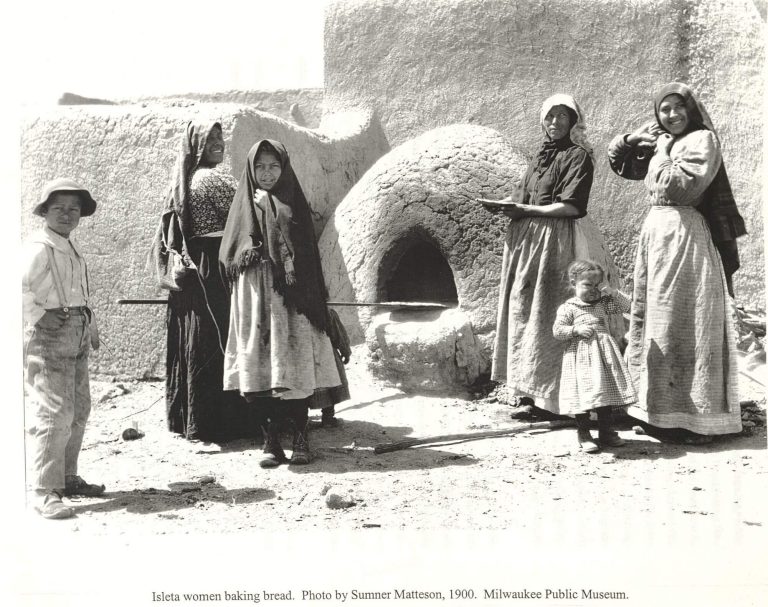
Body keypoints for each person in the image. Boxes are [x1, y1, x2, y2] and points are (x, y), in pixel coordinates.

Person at [607, 82, 744, 442]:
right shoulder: (663, 142)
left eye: (678, 108)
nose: (671, 115)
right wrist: (630, 139)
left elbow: (681, 188)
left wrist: (663, 152)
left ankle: (693, 420)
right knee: (653, 320)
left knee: (684, 321)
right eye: (664, 110)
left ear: (691, 110)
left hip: (686, 235)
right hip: (658, 236)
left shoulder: (702, 141)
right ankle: (655, 412)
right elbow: (622, 166)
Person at [479, 94, 622, 419]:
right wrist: (503, 204)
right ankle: (534, 395)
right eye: (550, 116)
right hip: (528, 245)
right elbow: (523, 195)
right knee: (528, 316)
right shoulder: (541, 155)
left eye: (562, 116)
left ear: (573, 121)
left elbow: (571, 206)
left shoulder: (578, 156)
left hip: (555, 243)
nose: (555, 122)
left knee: (550, 315)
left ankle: (561, 403)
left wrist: (525, 209)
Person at [219, 140, 342, 467]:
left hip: (290, 297)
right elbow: (230, 249)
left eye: (273, 166)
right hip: (254, 296)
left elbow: (300, 244)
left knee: (294, 364)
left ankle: (301, 439)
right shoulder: (242, 203)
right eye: (260, 167)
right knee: (259, 367)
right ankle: (270, 441)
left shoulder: (291, 201)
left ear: (283, 168)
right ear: (251, 170)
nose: (267, 173)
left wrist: (270, 208)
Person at [151, 121, 248, 442]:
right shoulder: (212, 177)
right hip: (215, 265)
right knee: (221, 337)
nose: (219, 144)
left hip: (194, 272)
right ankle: (228, 423)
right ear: (196, 145)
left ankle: (193, 420)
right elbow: (245, 214)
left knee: (197, 338)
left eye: (221, 138)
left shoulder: (182, 181)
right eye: (211, 140)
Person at [23, 178, 104, 519]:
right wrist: (39, 316)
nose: (67, 214)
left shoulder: (69, 247)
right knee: (54, 413)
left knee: (79, 409)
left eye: (74, 209)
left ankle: (67, 476)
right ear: (45, 212)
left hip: (77, 330)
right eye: (59, 208)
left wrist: (91, 325)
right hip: (50, 336)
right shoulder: (38, 247)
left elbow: (79, 293)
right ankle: (44, 490)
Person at [553, 260, 637, 453]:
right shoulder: (569, 307)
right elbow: (557, 331)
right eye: (587, 285)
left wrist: (612, 292)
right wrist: (575, 329)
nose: (592, 290)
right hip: (580, 358)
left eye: (596, 286)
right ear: (574, 283)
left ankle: (607, 432)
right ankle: (584, 434)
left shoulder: (603, 303)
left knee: (604, 395)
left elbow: (628, 307)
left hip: (603, 357)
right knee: (582, 398)